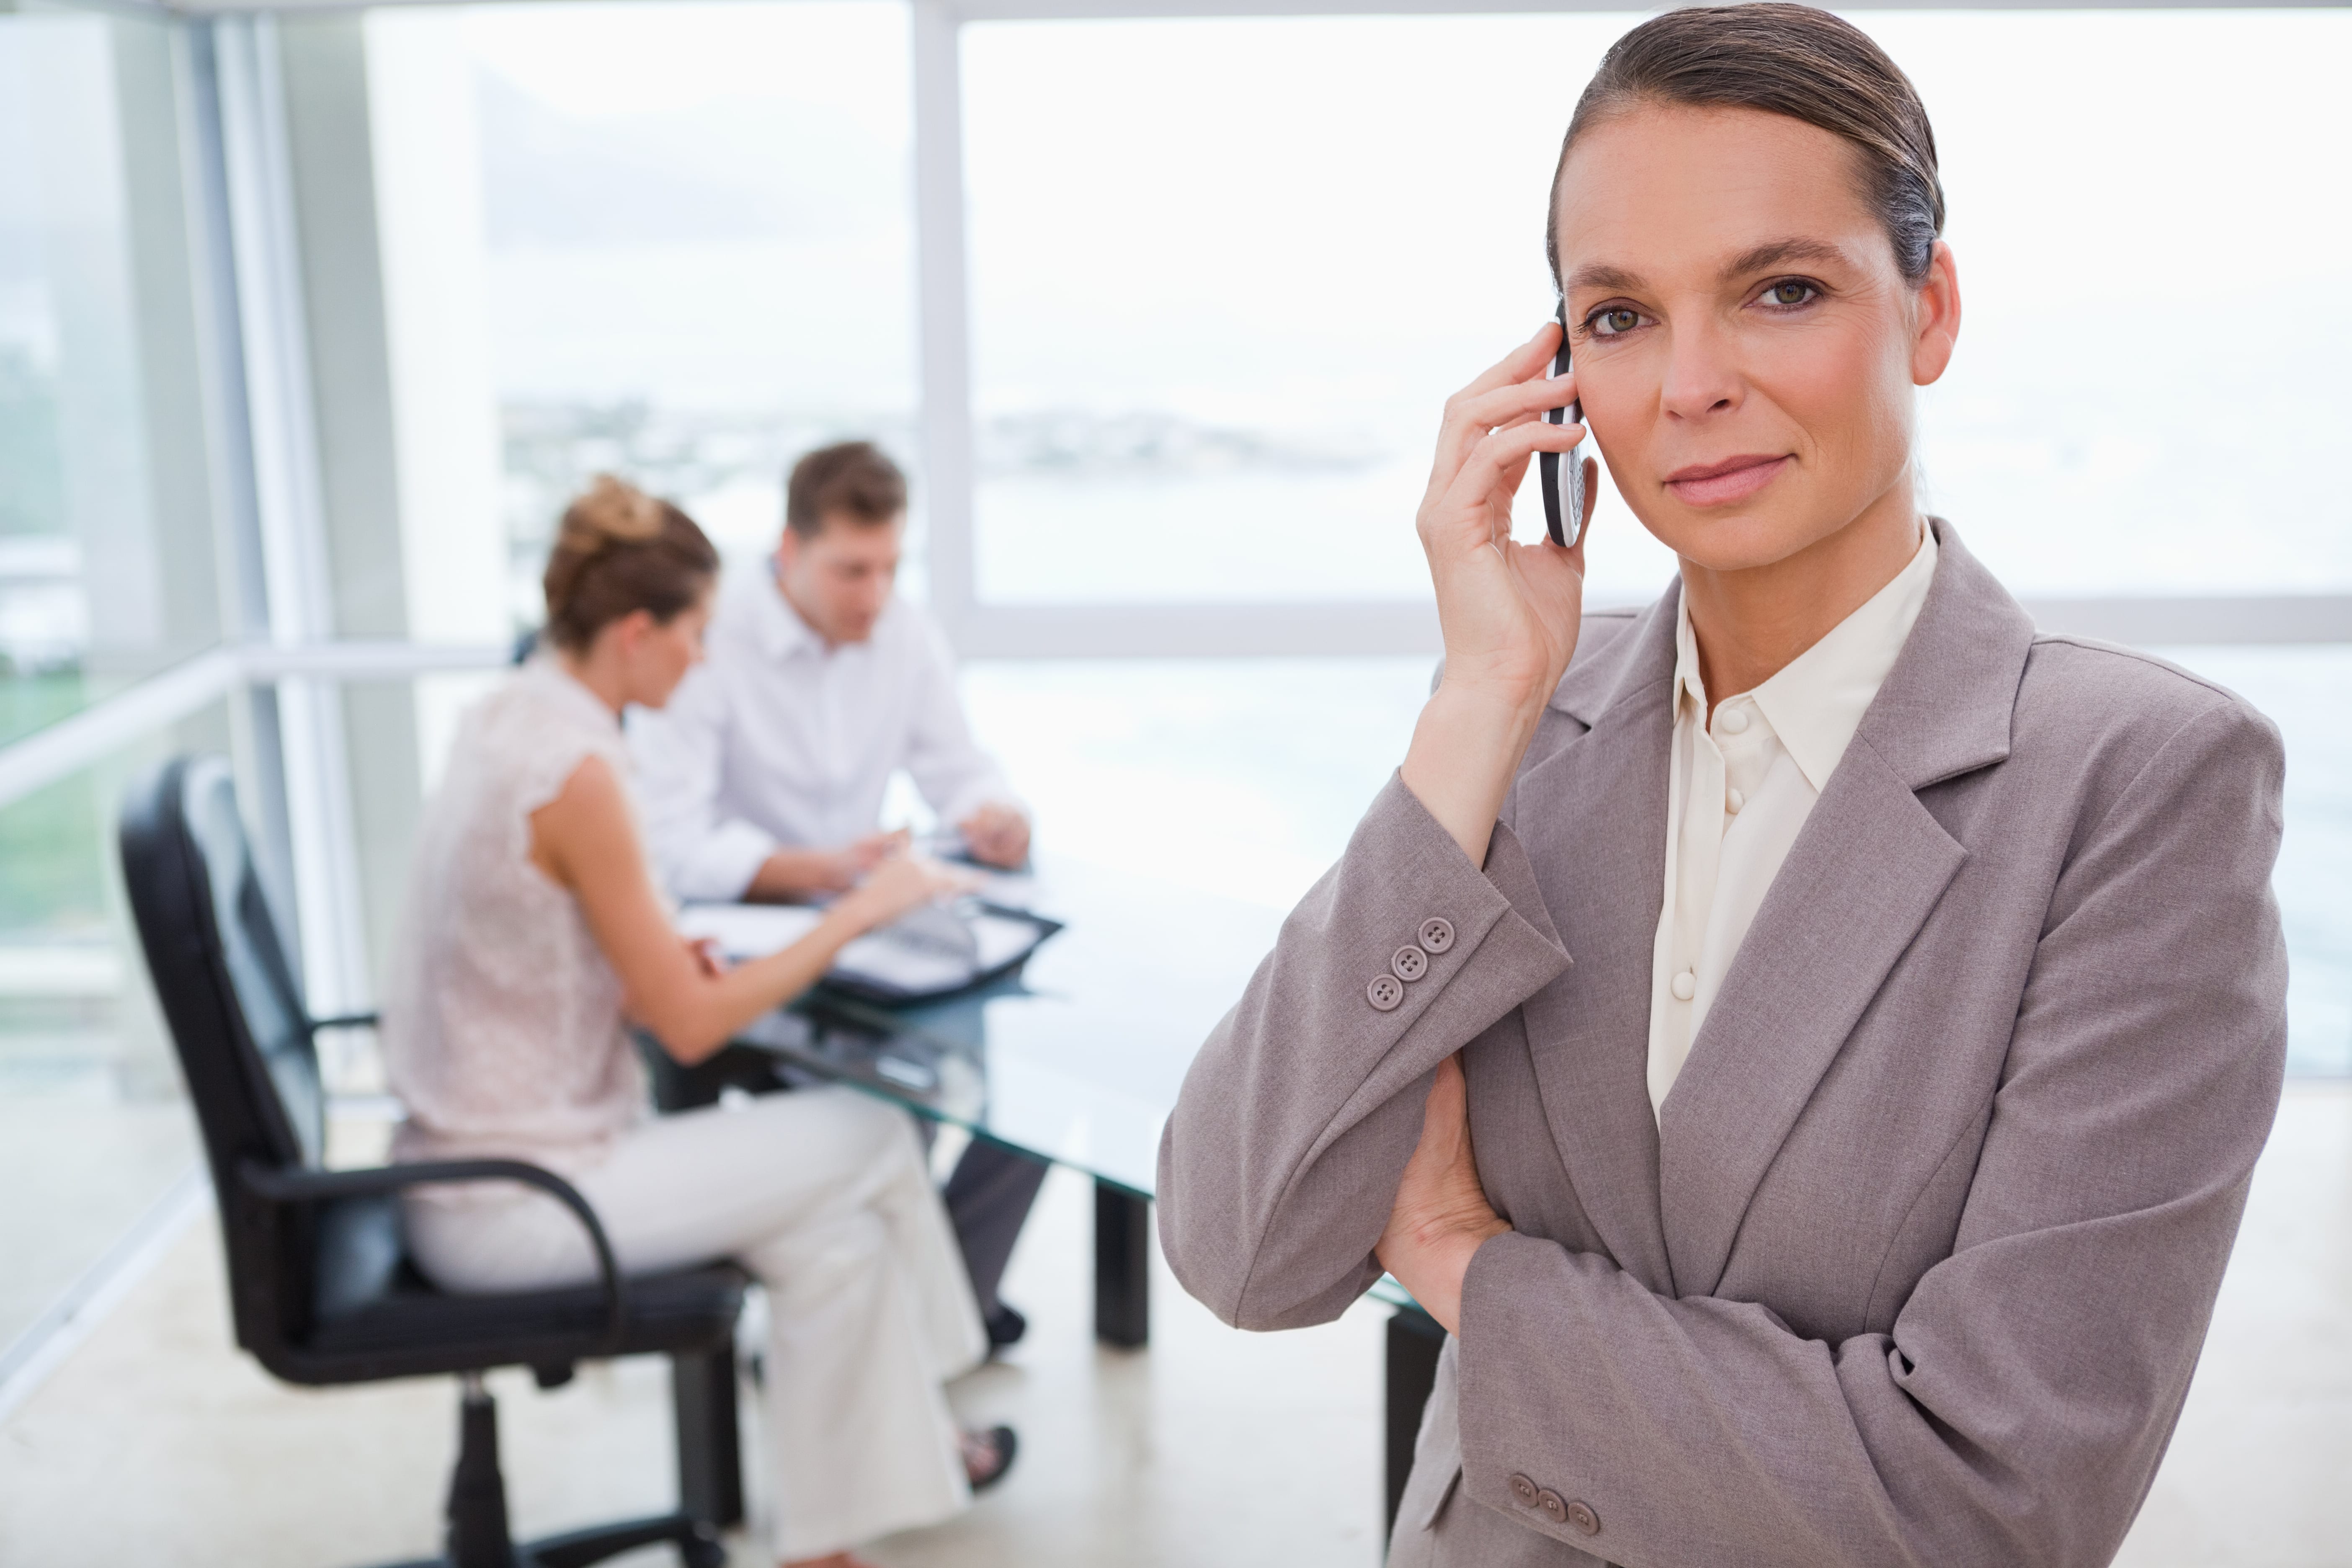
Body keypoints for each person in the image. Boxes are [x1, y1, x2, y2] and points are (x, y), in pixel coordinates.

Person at [1158, 8, 2288, 1567]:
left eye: (1780, 291)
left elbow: (1991, 1505)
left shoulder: (2136, 787)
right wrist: (1480, 691)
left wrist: (1462, 1264)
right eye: (1617, 317)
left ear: (1927, 309)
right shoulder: (1516, 733)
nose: (1688, 385)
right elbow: (1238, 1241)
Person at [383, 477, 1015, 1568]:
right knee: (869, 1131)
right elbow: (685, 1030)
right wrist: (860, 911)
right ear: (635, 634)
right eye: (694, 635)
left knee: (839, 1243)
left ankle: (825, 1549)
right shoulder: (580, 770)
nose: (705, 658)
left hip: (471, 1160)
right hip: (519, 1197)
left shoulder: (509, 716)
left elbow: (561, 940)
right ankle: (939, 1376)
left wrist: (661, 951)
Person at [631, 440, 1045, 1347]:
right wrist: (821, 870)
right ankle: (893, 1336)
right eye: (851, 570)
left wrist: (992, 814)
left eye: (891, 567)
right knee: (892, 1103)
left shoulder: (900, 628)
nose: (873, 594)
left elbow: (957, 767)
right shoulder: (708, 638)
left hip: (862, 927)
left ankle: (933, 1318)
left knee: (1027, 1105)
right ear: (789, 550)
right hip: (749, 942)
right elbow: (672, 848)